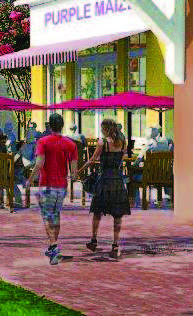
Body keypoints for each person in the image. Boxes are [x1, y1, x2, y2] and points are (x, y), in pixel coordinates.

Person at [25, 113, 78, 265]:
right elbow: (74, 172)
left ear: (49, 126)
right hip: (61, 186)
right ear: (62, 126)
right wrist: (73, 177)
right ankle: (52, 246)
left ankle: (54, 247)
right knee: (56, 214)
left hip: (47, 184)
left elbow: (40, 163)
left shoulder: (42, 142)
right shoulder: (71, 144)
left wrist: (30, 179)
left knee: (48, 216)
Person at [77, 119, 131, 259]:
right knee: (117, 215)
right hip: (118, 181)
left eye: (102, 128)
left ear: (106, 128)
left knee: (97, 211)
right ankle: (115, 244)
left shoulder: (103, 142)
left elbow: (92, 160)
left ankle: (94, 240)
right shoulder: (123, 142)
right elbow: (122, 159)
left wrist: (79, 171)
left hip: (105, 180)